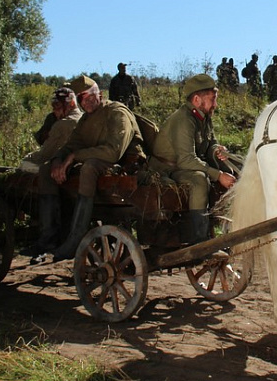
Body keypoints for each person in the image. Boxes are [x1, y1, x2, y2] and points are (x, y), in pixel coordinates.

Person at [35, 75, 144, 262]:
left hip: (125, 164)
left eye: (86, 96)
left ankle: (76, 238)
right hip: (101, 161)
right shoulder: (85, 120)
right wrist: (57, 161)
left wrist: (74, 156)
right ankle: (49, 237)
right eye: (79, 98)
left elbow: (113, 152)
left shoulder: (117, 112)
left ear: (99, 94)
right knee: (45, 170)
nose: (83, 102)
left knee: (89, 167)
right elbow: (71, 145)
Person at [151, 74, 237, 244]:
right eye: (213, 99)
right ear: (197, 99)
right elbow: (186, 160)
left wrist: (218, 150)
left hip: (186, 164)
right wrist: (218, 175)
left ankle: (220, 221)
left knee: (233, 167)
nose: (215, 104)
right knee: (199, 180)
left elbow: (210, 144)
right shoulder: (184, 120)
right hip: (169, 169)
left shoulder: (204, 117)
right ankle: (198, 238)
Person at [22, 86, 83, 256]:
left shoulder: (63, 124)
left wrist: (26, 160)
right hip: (80, 166)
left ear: (69, 104)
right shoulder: (84, 119)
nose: (54, 110)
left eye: (57, 106)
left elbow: (44, 154)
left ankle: (47, 239)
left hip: (64, 170)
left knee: (43, 172)